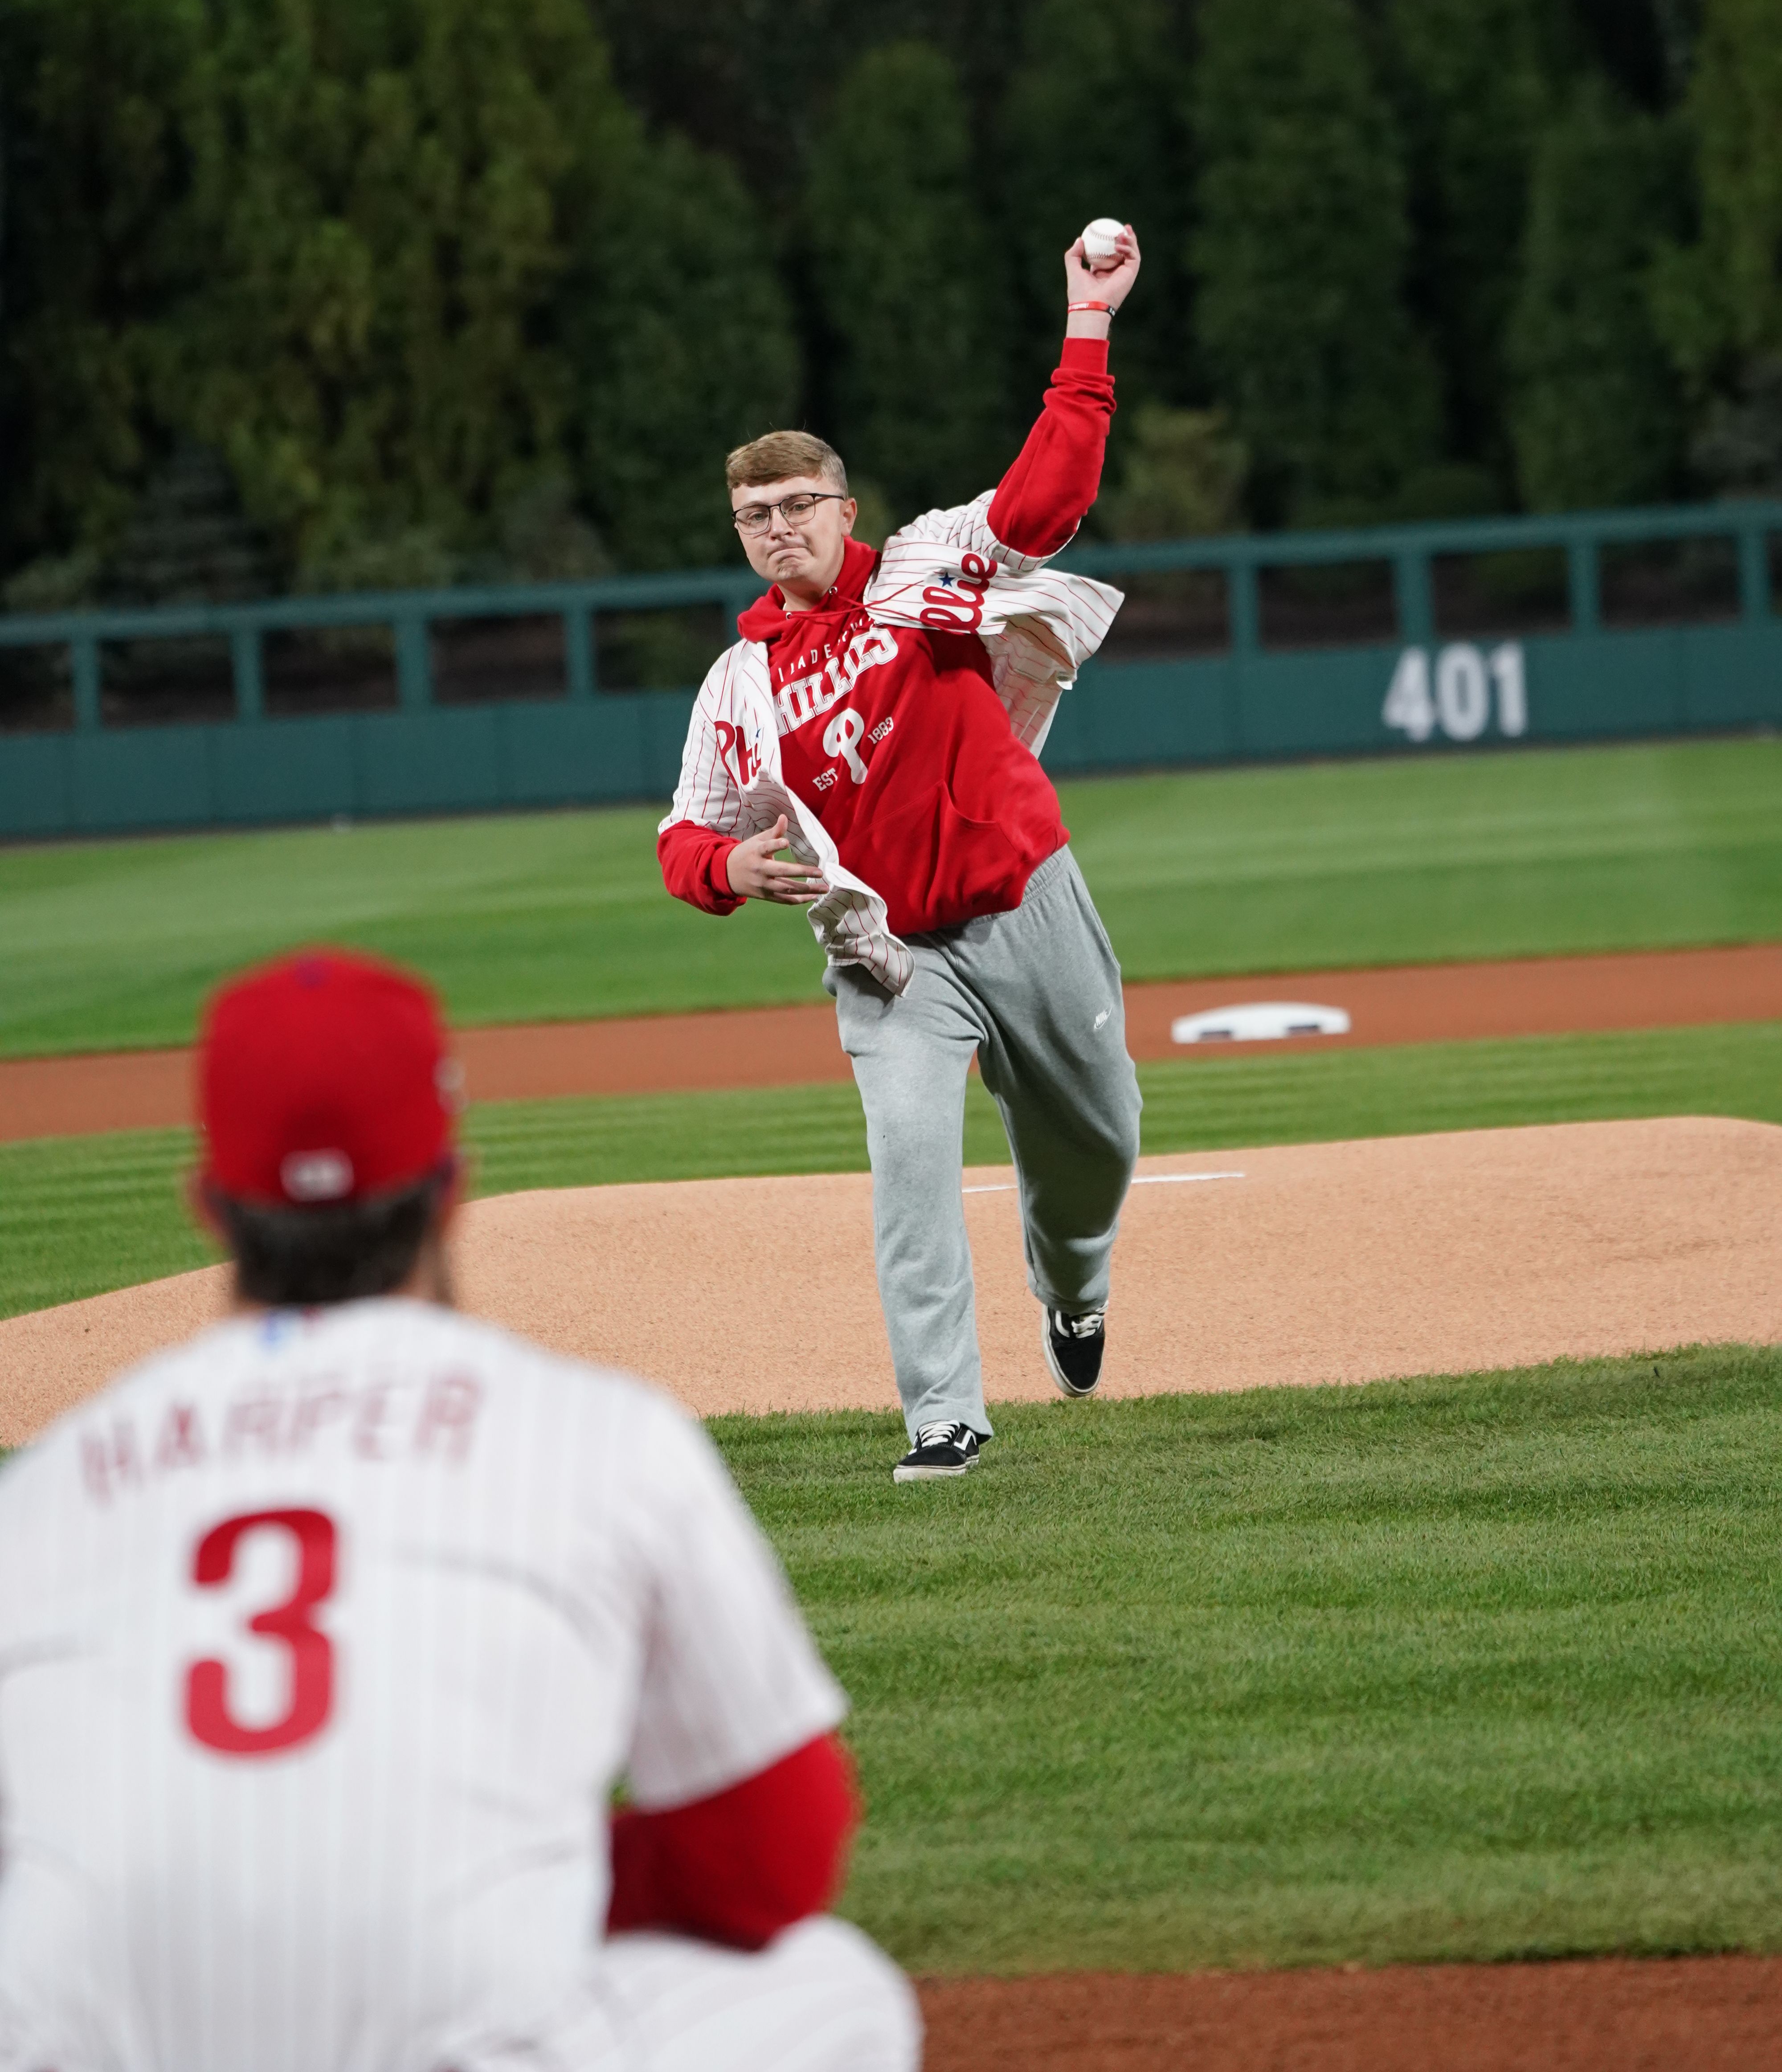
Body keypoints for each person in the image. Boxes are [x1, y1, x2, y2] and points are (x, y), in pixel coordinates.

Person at [0, 948, 920, 2072]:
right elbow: (773, 1859)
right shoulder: (597, 1437)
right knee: (838, 1991)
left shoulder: (44, 1489)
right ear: (450, 1188)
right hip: (458, 2044)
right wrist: (525, 1871)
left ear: (208, 1206)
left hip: (96, 2047)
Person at [659, 229, 1145, 1482]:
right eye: (753, 516)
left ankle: (1073, 1290)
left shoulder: (920, 573)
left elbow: (1047, 503)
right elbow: (683, 833)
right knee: (912, 1168)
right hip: (889, 959)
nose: (776, 531)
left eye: (796, 507)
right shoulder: (741, 682)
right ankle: (944, 1413)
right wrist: (726, 873)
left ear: (844, 509)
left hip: (1025, 896)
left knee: (1099, 1144)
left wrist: (1086, 324)